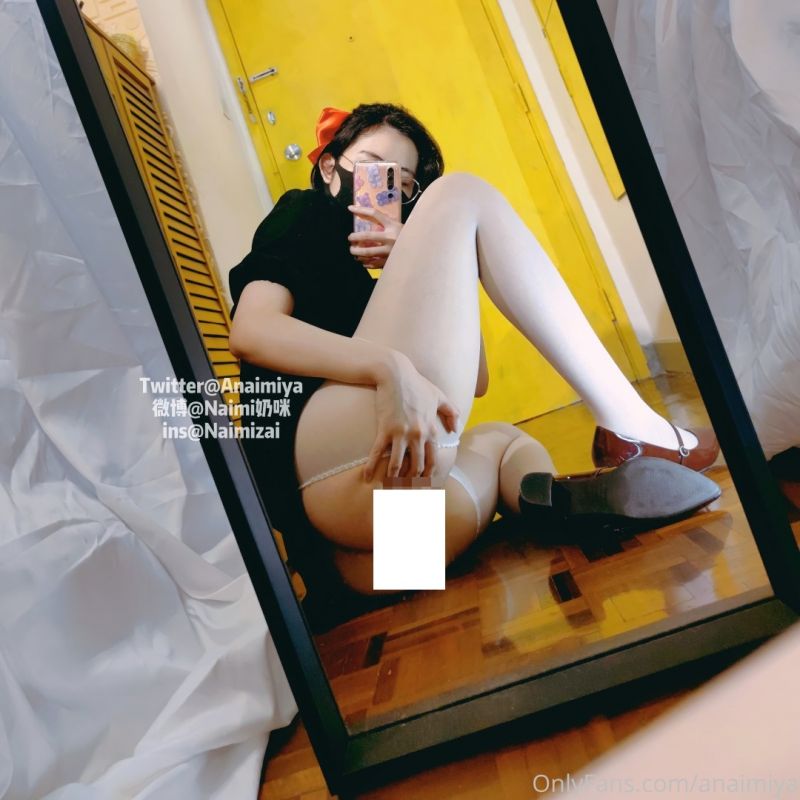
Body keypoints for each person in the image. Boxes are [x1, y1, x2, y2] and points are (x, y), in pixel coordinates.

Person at [228, 103, 720, 605]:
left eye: (401, 184)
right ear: (331, 168)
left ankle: (549, 505)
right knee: (461, 193)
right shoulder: (304, 213)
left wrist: (420, 266)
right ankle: (632, 428)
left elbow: (475, 381)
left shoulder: (380, 287)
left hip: (386, 559)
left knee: (504, 440)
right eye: (374, 168)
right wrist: (388, 366)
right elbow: (251, 330)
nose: (385, 190)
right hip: (330, 493)